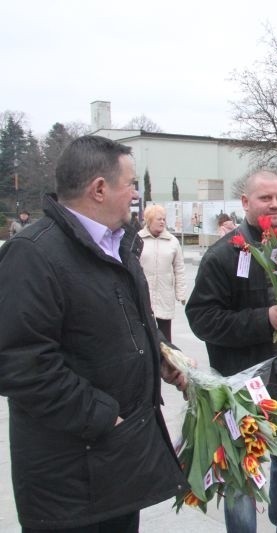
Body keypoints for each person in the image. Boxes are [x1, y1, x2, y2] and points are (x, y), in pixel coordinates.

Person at [0, 135, 187, 532]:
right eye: (131, 183)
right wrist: (105, 418)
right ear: (99, 189)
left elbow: (132, 322)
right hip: (71, 481)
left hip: (118, 464)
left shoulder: (118, 245)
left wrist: (162, 355)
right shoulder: (34, 254)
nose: (136, 194)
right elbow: (19, 363)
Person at [185, 170, 277, 533]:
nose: (275, 205)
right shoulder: (226, 253)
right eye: (265, 198)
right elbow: (202, 318)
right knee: (243, 471)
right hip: (248, 386)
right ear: (245, 203)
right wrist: (264, 320)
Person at [139, 204, 187, 342]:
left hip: (165, 294)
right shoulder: (138, 239)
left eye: (164, 219)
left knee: (165, 337)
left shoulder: (172, 241)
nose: (162, 222)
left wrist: (181, 293)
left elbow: (179, 268)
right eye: (158, 219)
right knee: (145, 335)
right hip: (144, 295)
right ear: (149, 220)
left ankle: (165, 363)